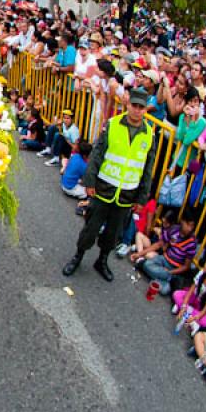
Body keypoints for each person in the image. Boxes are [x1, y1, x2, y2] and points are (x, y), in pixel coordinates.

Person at [62, 87, 157, 282]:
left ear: (145, 109)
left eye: (141, 107)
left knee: (113, 233)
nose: (137, 110)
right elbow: (97, 154)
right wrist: (89, 180)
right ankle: (78, 256)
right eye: (134, 105)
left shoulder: (149, 134)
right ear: (127, 105)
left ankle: (102, 260)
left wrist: (142, 197)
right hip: (104, 188)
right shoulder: (113, 125)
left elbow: (148, 168)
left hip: (126, 195)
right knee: (91, 228)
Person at [134, 208, 198, 296]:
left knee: (165, 290)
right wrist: (139, 254)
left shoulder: (192, 243)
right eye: (187, 224)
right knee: (148, 264)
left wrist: (170, 272)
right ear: (182, 221)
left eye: (192, 226)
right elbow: (158, 244)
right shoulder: (174, 229)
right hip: (163, 259)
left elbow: (186, 266)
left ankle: (157, 275)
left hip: (173, 268)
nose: (189, 228)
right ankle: (163, 277)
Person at [173, 255, 206, 335]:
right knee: (177, 294)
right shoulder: (203, 272)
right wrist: (183, 307)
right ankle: (186, 312)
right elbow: (190, 292)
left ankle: (189, 316)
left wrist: (195, 317)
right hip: (194, 298)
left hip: (202, 307)